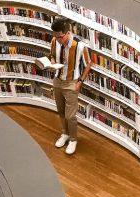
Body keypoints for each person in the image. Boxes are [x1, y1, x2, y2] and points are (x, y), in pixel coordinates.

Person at [48, 18, 92, 155]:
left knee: (70, 116)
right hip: (57, 80)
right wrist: (52, 62)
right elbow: (52, 55)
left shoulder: (80, 46)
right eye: (55, 36)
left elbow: (89, 64)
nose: (58, 40)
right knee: (60, 111)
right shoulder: (54, 40)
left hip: (71, 83)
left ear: (67, 33)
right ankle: (65, 134)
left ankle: (73, 139)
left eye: (60, 37)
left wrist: (80, 82)